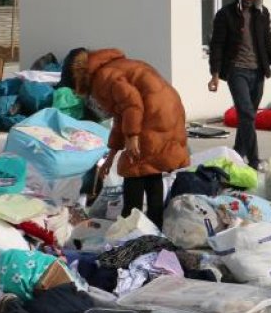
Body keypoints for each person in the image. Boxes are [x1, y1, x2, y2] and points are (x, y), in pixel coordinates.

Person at [70, 48, 189, 227]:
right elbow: (122, 115)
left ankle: (130, 221)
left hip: (153, 112)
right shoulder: (114, 67)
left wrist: (132, 136)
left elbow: (131, 104)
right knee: (151, 167)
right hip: (167, 109)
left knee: (133, 167)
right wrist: (111, 156)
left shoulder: (103, 77)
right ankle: (155, 223)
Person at [207, 0, 271, 169]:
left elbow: (268, 42)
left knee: (248, 117)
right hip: (237, 71)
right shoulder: (225, 14)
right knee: (246, 114)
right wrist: (215, 73)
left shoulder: (262, 14)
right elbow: (217, 45)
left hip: (258, 72)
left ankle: (237, 153)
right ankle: (254, 160)